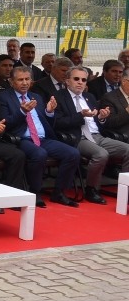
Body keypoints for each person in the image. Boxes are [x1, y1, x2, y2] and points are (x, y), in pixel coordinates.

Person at [0, 65, 80, 207]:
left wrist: (49, 112)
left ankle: (59, 192)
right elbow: (5, 123)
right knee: (39, 154)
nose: (24, 83)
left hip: (43, 138)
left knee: (73, 153)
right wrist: (22, 112)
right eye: (20, 80)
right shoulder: (4, 97)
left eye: (27, 79)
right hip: (21, 139)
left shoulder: (36, 97)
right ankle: (35, 191)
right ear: (11, 81)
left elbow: (48, 123)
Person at [53, 65, 129, 205]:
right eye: (76, 79)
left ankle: (126, 191)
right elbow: (57, 123)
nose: (80, 82)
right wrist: (80, 116)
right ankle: (91, 189)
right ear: (67, 81)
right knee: (101, 154)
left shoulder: (89, 97)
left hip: (96, 135)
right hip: (77, 137)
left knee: (128, 150)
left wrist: (101, 117)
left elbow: (99, 122)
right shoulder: (59, 97)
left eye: (83, 80)